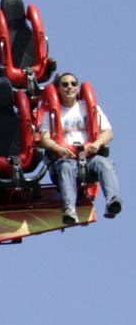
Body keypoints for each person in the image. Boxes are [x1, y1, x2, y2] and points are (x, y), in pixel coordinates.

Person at [37, 72, 121, 224]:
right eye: (65, 84)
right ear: (58, 89)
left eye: (73, 84)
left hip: (89, 158)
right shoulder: (51, 114)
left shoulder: (89, 108)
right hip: (66, 159)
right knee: (66, 167)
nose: (70, 87)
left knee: (104, 163)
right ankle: (69, 209)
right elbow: (44, 139)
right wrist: (58, 148)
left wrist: (96, 144)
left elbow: (108, 133)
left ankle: (111, 201)